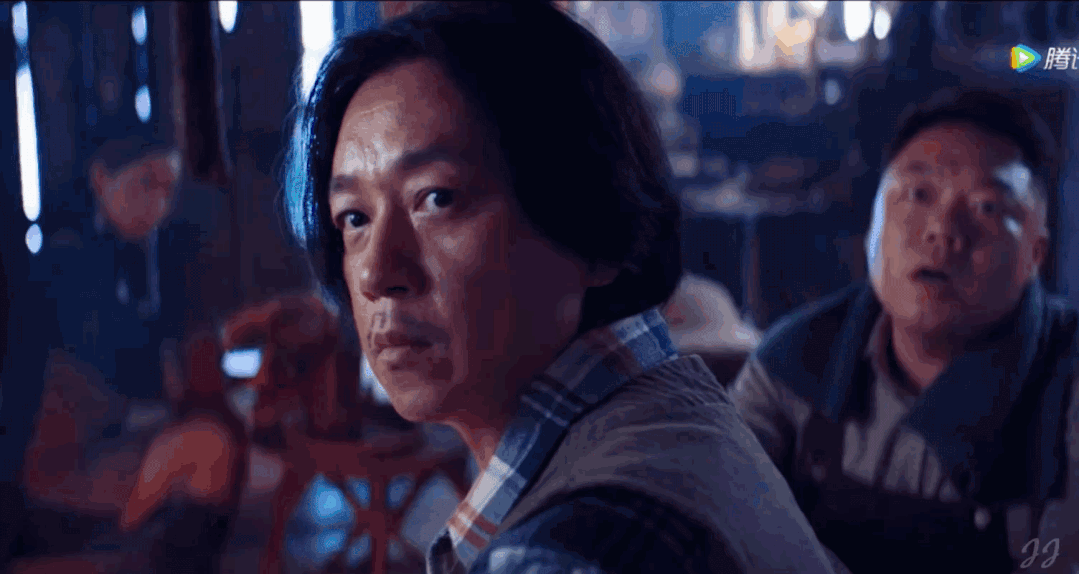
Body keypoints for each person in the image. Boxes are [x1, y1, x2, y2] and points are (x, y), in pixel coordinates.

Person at [285, 3, 840, 573]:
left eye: (437, 199)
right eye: (354, 217)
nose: (376, 273)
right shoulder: (673, 413)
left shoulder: (567, 550)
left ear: (594, 226)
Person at [731, 89, 1079, 574]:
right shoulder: (793, 362)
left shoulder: (1067, 383)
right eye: (918, 194)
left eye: (986, 207)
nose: (943, 230)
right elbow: (722, 531)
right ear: (872, 223)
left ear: (1035, 256)